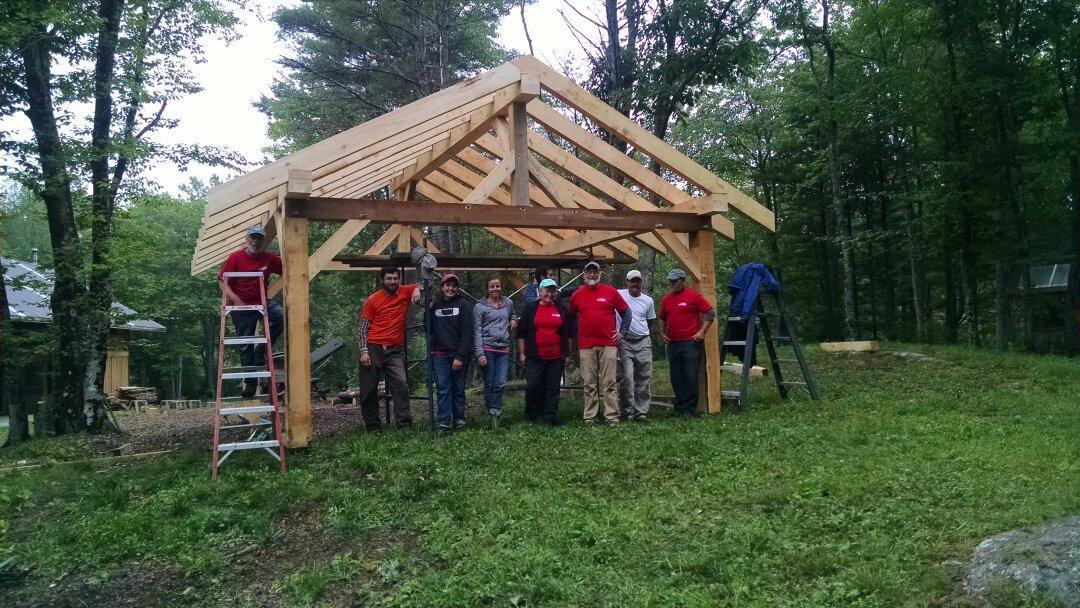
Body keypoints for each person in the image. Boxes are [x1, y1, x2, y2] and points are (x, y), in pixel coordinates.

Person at [218, 225, 283, 398]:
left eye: (259, 238)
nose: (255, 241)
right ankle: (250, 383)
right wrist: (235, 298)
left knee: (281, 316)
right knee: (245, 345)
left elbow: (290, 267)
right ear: (246, 239)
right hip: (242, 306)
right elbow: (222, 282)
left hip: (262, 303)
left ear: (264, 241)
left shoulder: (268, 258)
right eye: (252, 238)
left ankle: (260, 350)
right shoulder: (235, 258)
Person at [357, 266, 422, 431]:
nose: (392, 282)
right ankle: (373, 427)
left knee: (401, 383)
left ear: (399, 279)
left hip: (394, 350)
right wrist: (364, 351)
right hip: (373, 347)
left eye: (395, 278)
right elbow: (363, 328)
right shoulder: (372, 300)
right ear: (382, 280)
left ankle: (404, 424)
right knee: (369, 388)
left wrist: (417, 289)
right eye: (389, 278)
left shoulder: (404, 291)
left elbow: (423, 284)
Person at [567, 261, 631, 425]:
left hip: (608, 344)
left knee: (609, 382)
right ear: (584, 274)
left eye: (595, 272)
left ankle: (612, 416)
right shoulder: (577, 294)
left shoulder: (610, 291)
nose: (592, 275)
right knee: (589, 383)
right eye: (589, 272)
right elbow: (570, 316)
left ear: (600, 273)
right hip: (586, 345)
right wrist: (576, 335)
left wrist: (622, 332)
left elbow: (626, 312)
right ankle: (590, 417)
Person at [657, 268, 716, 416]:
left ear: (682, 281)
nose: (671, 284)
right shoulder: (666, 299)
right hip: (673, 344)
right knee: (676, 377)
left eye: (674, 281)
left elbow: (710, 312)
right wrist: (662, 333)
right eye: (670, 281)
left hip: (691, 343)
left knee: (690, 376)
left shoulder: (693, 296)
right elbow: (662, 317)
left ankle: (689, 410)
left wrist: (702, 331)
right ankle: (679, 408)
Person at [517, 279, 573, 425]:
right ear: (540, 291)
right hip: (535, 355)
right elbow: (521, 332)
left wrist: (567, 354)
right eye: (546, 291)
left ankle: (549, 417)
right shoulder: (531, 307)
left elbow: (568, 332)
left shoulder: (561, 308)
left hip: (556, 356)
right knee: (533, 385)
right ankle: (531, 415)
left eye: (552, 291)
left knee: (552, 387)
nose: (549, 294)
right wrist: (522, 353)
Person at [425, 274, 473, 434]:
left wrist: (460, 356)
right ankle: (444, 422)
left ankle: (459, 419)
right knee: (443, 389)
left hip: (458, 354)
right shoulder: (435, 306)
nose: (450, 288)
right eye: (447, 285)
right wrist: (428, 310)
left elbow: (468, 333)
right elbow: (427, 328)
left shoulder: (464, 305)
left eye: (453, 285)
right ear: (442, 287)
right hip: (439, 354)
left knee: (458, 388)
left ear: (457, 288)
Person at [474, 276, 516, 421]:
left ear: (501, 287)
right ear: (487, 289)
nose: (495, 289)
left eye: (497, 286)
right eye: (492, 286)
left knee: (501, 382)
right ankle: (491, 411)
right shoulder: (480, 307)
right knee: (490, 382)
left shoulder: (508, 303)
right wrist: (480, 354)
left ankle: (495, 410)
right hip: (487, 348)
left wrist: (513, 319)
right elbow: (477, 330)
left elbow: (513, 314)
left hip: (503, 348)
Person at [617, 269, 656, 421]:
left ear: (641, 283)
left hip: (643, 341)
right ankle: (628, 411)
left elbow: (650, 321)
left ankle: (641, 412)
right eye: (632, 281)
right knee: (627, 377)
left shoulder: (648, 300)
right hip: (625, 341)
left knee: (644, 377)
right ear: (626, 282)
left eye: (637, 281)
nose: (635, 283)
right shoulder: (619, 294)